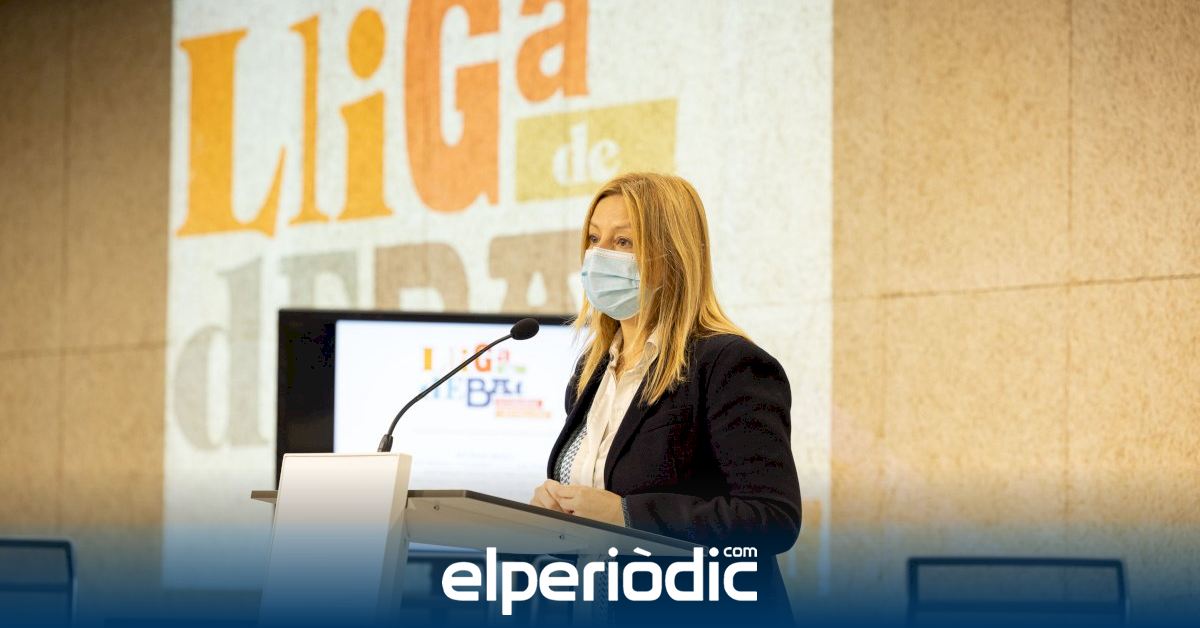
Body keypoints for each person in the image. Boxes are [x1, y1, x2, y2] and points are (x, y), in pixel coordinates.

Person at [529, 172, 802, 624]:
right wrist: (554, 515)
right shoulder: (590, 374)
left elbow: (772, 519)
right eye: (594, 239)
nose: (599, 255)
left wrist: (627, 514)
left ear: (671, 255)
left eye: (623, 241)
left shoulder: (728, 364)